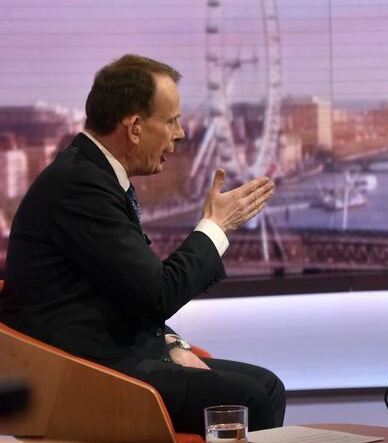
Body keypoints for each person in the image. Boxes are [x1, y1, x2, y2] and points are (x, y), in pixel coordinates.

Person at [0, 54, 285, 434]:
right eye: (170, 121)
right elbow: (157, 292)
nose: (180, 134)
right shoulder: (79, 185)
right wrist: (216, 226)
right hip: (84, 374)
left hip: (111, 355)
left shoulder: (93, 175)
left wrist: (169, 342)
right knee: (253, 397)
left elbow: (129, 288)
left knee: (267, 386)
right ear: (134, 127)